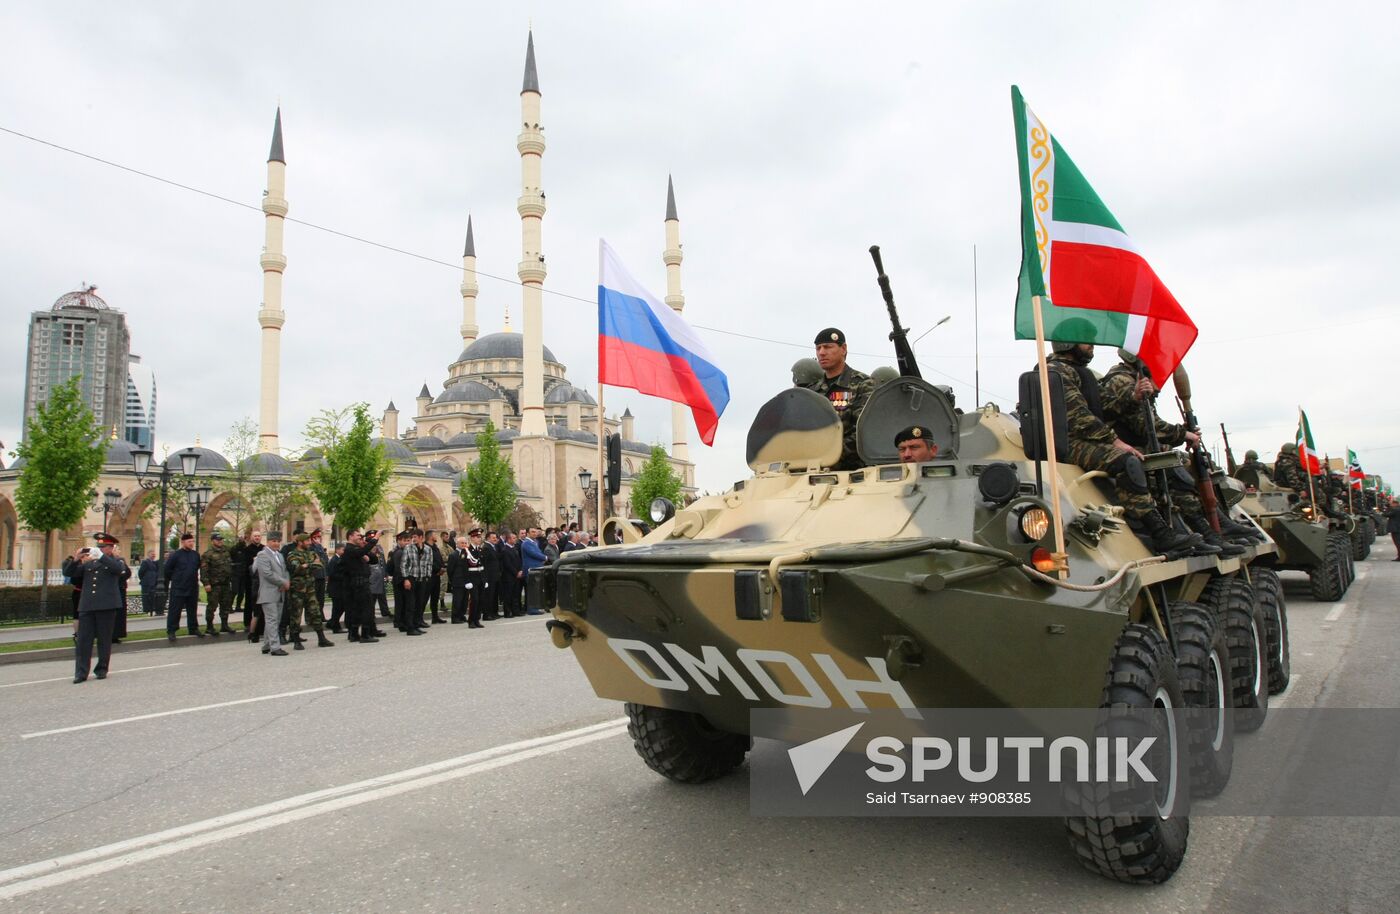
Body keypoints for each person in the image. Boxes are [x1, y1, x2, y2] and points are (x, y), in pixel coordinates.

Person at [1042, 335, 1201, 557]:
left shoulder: (1076, 371)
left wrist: (1134, 397)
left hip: (1080, 439)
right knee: (1127, 462)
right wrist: (1115, 441)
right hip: (1066, 442)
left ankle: (1168, 528)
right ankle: (1158, 533)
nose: (1091, 345)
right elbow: (1079, 418)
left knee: (1142, 459)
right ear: (1067, 343)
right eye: (1085, 340)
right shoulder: (1056, 372)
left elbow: (1104, 407)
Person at [1097, 349, 1244, 556]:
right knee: (1176, 470)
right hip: (1127, 449)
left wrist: (1183, 433)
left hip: (1138, 447)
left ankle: (1212, 526)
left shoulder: (1134, 378)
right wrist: (1183, 434)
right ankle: (1202, 531)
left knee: (1187, 466)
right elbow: (1145, 425)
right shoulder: (1121, 380)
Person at [796, 327, 874, 471]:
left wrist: (828, 457)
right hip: (812, 471)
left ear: (843, 349)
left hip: (851, 473)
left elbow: (864, 431)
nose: (821, 352)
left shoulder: (863, 384)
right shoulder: (812, 391)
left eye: (827, 347)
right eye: (818, 348)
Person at [72, 533, 130, 683]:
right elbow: (70, 573)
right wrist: (77, 558)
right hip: (87, 606)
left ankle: (102, 668)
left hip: (106, 606)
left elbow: (119, 570)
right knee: (84, 641)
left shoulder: (116, 561)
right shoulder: (89, 564)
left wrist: (102, 557)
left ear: (111, 548)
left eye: (103, 547)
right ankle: (81, 672)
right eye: (98, 547)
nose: (99, 549)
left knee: (104, 640)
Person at [286, 531, 334, 648]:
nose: (309, 543)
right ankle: (296, 640)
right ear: (300, 542)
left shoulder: (311, 553)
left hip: (310, 589)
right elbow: (296, 568)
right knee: (296, 614)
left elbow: (320, 565)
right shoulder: (292, 554)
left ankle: (321, 638)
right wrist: (309, 564)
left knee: (316, 612)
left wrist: (306, 565)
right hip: (297, 590)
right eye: (307, 541)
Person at [252, 531, 290, 655]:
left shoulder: (279, 555)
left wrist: (285, 582)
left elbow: (284, 571)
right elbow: (267, 573)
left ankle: (266, 645)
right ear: (268, 542)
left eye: (278, 541)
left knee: (275, 620)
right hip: (268, 592)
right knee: (272, 620)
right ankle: (275, 647)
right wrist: (282, 582)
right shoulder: (262, 555)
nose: (276, 543)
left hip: (280, 592)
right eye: (274, 541)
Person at [164, 532, 204, 642]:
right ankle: (171, 630)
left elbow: (198, 568)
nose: (191, 543)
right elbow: (167, 570)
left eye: (192, 541)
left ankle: (193, 628)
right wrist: (176, 578)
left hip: (192, 586)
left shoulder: (195, 554)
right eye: (189, 541)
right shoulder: (176, 555)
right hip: (179, 587)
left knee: (192, 609)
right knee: (175, 610)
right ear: (183, 542)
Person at [341, 530, 380, 643]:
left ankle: (353, 634)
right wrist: (375, 538)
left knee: (358, 609)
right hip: (359, 583)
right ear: (350, 536)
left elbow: (373, 559)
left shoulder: (357, 550)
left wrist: (365, 549)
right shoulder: (350, 549)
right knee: (366, 609)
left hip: (361, 582)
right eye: (358, 535)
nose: (360, 538)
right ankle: (365, 634)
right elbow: (362, 551)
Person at [200, 531, 235, 635]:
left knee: (225, 605)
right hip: (214, 585)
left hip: (225, 583)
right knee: (212, 606)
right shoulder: (208, 554)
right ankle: (209, 627)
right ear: (212, 541)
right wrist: (206, 583)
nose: (220, 541)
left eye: (221, 539)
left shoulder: (226, 551)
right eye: (218, 540)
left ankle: (224, 625)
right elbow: (204, 570)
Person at [399, 529, 432, 635]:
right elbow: (403, 564)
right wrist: (406, 579)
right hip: (411, 578)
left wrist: (428, 576)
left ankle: (416, 625)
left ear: (421, 537)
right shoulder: (408, 548)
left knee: (419, 603)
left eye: (415, 537)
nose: (413, 539)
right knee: (410, 604)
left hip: (422, 579)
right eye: (412, 537)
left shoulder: (428, 549)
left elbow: (429, 564)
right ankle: (410, 628)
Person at [243, 530, 265, 640]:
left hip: (262, 581)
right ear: (252, 538)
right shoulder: (247, 550)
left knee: (261, 606)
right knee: (249, 604)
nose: (257, 538)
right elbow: (246, 564)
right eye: (255, 536)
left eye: (258, 536)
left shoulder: (264, 549)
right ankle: (248, 624)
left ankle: (261, 627)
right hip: (250, 580)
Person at [521, 529, 547, 615]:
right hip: (531, 569)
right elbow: (534, 553)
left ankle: (535, 607)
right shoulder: (526, 543)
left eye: (535, 532)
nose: (535, 533)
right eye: (532, 532)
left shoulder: (534, 542)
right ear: (527, 533)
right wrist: (545, 558)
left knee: (536, 589)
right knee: (532, 590)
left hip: (537, 568)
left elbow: (538, 552)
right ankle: (532, 609)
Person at [499, 531, 522, 618]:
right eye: (513, 538)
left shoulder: (514, 548)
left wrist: (520, 570)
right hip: (508, 576)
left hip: (516, 575)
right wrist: (516, 572)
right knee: (508, 595)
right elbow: (507, 564)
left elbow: (518, 561)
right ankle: (507, 612)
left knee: (515, 594)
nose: (515, 539)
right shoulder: (505, 550)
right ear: (508, 539)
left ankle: (515, 611)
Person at [229, 532, 248, 623]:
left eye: (243, 537)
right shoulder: (234, 549)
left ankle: (238, 606)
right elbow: (229, 559)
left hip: (244, 573)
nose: (242, 539)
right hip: (235, 573)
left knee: (241, 592)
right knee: (234, 590)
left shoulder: (246, 549)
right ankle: (229, 606)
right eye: (240, 537)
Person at [137, 550, 160, 615]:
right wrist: (145, 579)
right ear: (148, 555)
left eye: (154, 554)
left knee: (152, 596)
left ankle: (152, 609)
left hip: (153, 582)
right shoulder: (145, 562)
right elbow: (141, 572)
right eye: (152, 554)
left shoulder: (154, 563)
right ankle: (146, 609)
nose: (153, 555)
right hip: (146, 583)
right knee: (146, 596)